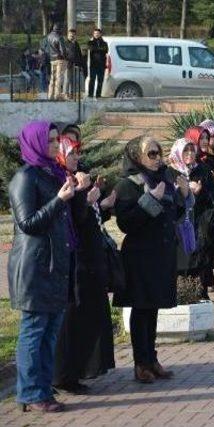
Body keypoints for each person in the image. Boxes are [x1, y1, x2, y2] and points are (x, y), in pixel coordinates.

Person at [8, 121, 77, 412]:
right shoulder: (26, 177)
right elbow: (28, 223)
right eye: (48, 141)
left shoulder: (52, 172)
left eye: (55, 139)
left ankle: (42, 388)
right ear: (34, 143)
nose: (54, 145)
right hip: (35, 267)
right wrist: (60, 200)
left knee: (50, 332)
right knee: (34, 331)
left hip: (54, 264)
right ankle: (30, 393)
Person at [113, 136, 190, 383]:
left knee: (154, 307)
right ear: (137, 156)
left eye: (159, 152)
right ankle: (140, 363)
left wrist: (184, 196)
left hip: (162, 253)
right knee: (141, 308)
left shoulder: (164, 178)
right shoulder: (128, 183)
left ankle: (152, 359)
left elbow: (173, 214)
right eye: (151, 154)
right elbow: (126, 223)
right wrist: (150, 199)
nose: (157, 158)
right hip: (140, 256)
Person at [52, 124, 115, 394]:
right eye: (72, 151)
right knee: (70, 318)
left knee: (87, 315)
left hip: (87, 256)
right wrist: (85, 199)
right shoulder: (62, 179)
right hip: (73, 259)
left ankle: (78, 370)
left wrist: (95, 202)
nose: (78, 157)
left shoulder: (75, 177)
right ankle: (64, 375)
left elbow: (87, 219)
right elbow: (71, 218)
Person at [167, 138, 214, 300]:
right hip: (178, 227)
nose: (190, 154)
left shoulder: (202, 169)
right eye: (186, 150)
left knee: (199, 263)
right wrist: (183, 192)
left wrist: (200, 191)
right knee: (180, 263)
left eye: (192, 150)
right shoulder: (169, 172)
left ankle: (200, 296)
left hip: (199, 226)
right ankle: (179, 298)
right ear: (178, 152)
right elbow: (166, 199)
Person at [47, 23, 67, 100]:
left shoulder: (48, 37)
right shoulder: (59, 37)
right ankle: (56, 95)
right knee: (58, 78)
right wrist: (64, 57)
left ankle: (50, 95)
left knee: (52, 78)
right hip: (59, 59)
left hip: (52, 59)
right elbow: (63, 50)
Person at [87, 28, 108, 98]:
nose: (96, 35)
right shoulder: (90, 42)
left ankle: (98, 95)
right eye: (95, 33)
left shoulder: (104, 43)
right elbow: (91, 48)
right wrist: (99, 49)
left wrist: (98, 49)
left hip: (101, 65)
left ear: (100, 34)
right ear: (93, 34)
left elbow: (105, 50)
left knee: (100, 81)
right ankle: (90, 94)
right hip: (93, 64)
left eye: (98, 33)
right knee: (92, 80)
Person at [63, 29, 84, 98]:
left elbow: (79, 54)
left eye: (73, 35)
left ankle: (72, 93)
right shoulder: (65, 43)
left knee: (73, 80)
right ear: (68, 35)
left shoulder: (76, 43)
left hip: (75, 64)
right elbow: (63, 54)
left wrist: (80, 64)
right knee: (67, 79)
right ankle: (66, 93)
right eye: (70, 35)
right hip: (67, 64)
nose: (72, 36)